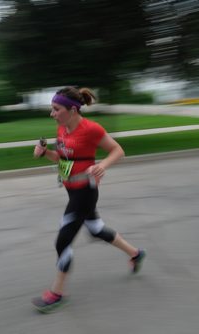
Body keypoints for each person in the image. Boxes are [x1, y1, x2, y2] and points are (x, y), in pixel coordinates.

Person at [31, 86, 146, 313]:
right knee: (95, 229)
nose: (52, 114)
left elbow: (118, 150)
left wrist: (102, 165)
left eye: (56, 109)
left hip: (85, 191)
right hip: (71, 188)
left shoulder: (91, 129)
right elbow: (62, 159)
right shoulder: (62, 128)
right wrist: (44, 153)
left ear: (72, 110)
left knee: (62, 241)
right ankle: (136, 253)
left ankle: (57, 293)